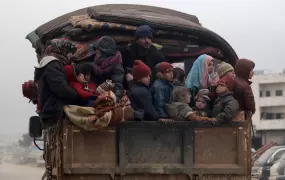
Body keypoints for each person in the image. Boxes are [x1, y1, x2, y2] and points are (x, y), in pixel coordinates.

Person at [34, 39, 78, 127]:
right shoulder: (52, 64)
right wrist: (76, 95)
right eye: (68, 52)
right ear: (60, 50)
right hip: (54, 114)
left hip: (52, 113)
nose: (70, 56)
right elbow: (61, 88)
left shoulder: (48, 64)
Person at [91, 36, 124, 102]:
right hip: (96, 92)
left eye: (98, 49)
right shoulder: (97, 61)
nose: (96, 51)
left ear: (105, 52)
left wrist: (115, 100)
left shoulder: (116, 66)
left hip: (108, 97)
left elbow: (118, 86)